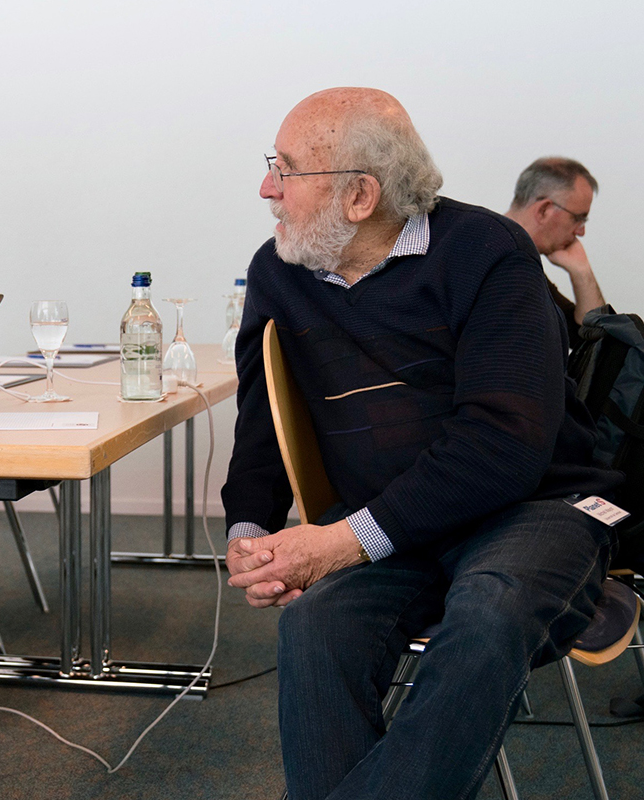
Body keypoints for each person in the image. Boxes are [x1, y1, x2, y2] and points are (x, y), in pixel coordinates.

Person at [222, 87, 620, 800]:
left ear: (359, 196)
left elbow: (502, 446)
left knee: (488, 618)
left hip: (530, 509)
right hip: (393, 525)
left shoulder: (486, 252)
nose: (266, 189)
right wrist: (251, 533)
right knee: (313, 628)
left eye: (285, 170)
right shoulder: (279, 270)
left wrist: (338, 542)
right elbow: (262, 419)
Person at [504, 157, 604, 343]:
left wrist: (582, 273)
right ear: (544, 210)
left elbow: (590, 338)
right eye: (578, 218)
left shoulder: (521, 259)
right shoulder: (500, 260)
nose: (581, 231)